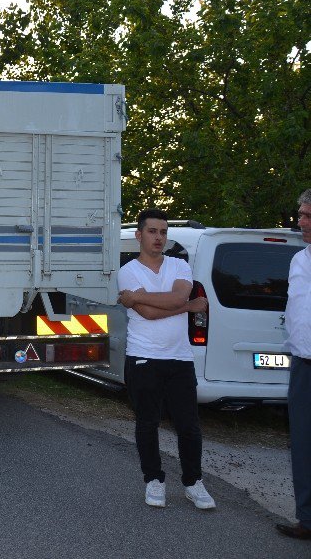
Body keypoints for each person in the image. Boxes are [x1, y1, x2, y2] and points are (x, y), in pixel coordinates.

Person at [117, 208, 213, 510]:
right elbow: (148, 313)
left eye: (163, 232)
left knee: (189, 425)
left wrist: (140, 297)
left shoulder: (179, 265)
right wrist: (189, 306)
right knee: (147, 423)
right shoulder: (128, 271)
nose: (158, 237)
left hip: (180, 359)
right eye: (152, 231)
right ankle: (154, 481)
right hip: (144, 357)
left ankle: (193, 483)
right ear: (139, 235)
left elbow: (174, 299)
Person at [278, 189, 311, 540]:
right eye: (301, 214)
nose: (300, 220)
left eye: (307, 215)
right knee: (302, 444)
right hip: (302, 364)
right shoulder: (299, 260)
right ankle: (307, 519)